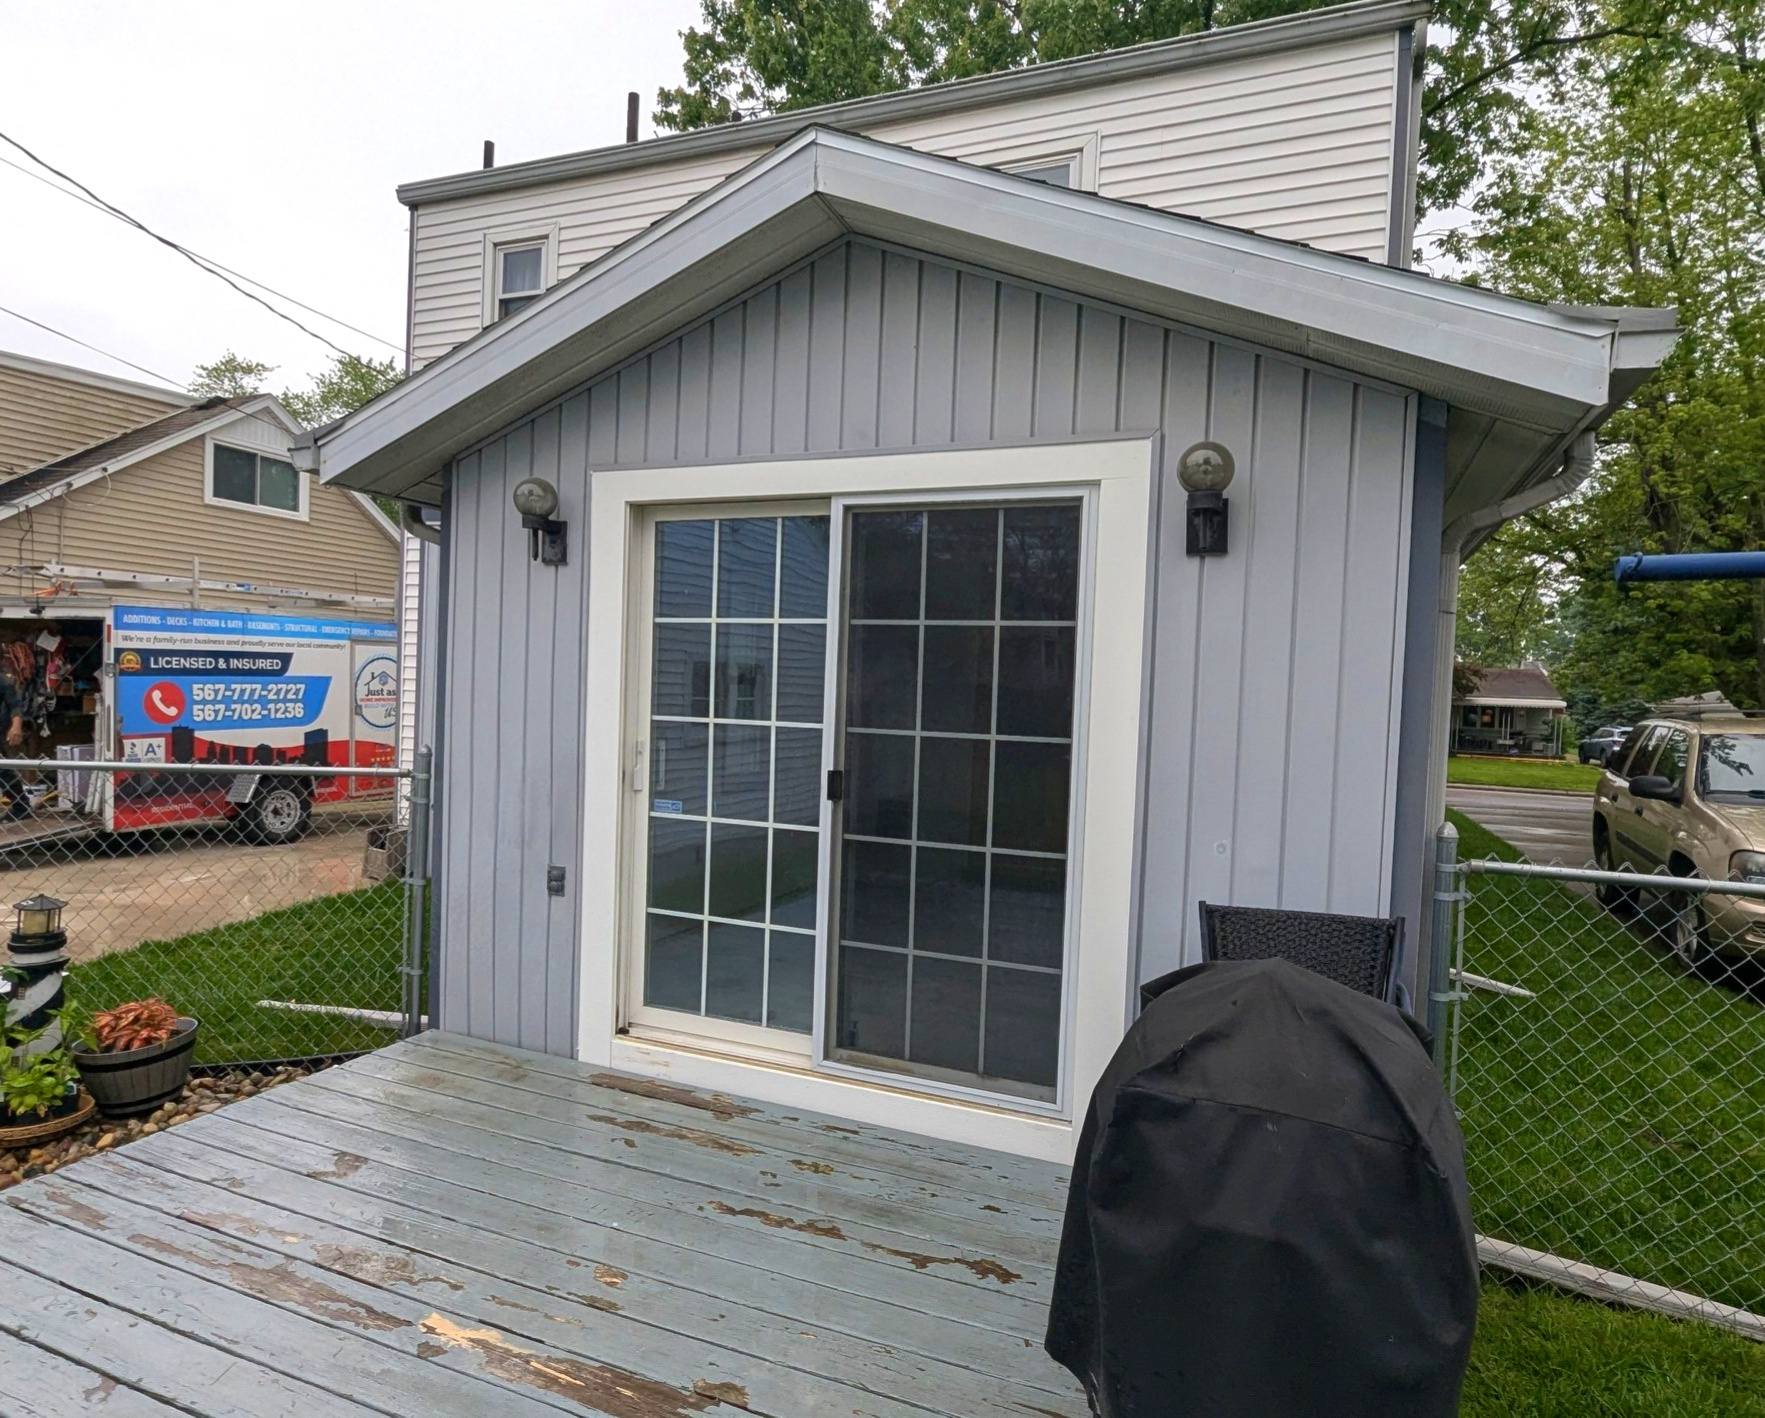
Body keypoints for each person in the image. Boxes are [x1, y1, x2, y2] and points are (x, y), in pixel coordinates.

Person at [0, 635, 32, 820]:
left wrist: (16, 727)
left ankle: (21, 807)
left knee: (2, 770)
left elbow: (15, 705)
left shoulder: (4, 681)